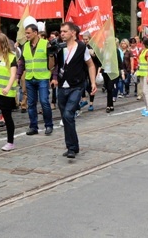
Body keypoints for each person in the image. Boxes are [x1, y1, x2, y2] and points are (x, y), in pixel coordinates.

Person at [51, 23, 97, 158]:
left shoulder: (82, 47)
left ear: (73, 33)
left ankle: (72, 147)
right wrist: (51, 54)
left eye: (65, 31)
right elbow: (52, 66)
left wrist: (93, 82)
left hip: (76, 86)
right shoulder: (60, 47)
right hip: (62, 86)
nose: (62, 34)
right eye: (61, 31)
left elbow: (90, 65)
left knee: (68, 114)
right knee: (66, 118)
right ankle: (72, 145)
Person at [17, 24, 53, 136]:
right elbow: (22, 63)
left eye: (28, 33)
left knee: (44, 102)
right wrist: (18, 76)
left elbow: (52, 62)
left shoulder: (46, 44)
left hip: (42, 77)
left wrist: (54, 77)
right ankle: (33, 126)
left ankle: (48, 125)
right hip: (29, 78)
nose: (26, 35)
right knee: (31, 104)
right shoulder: (25, 46)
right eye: (25, 33)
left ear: (35, 33)